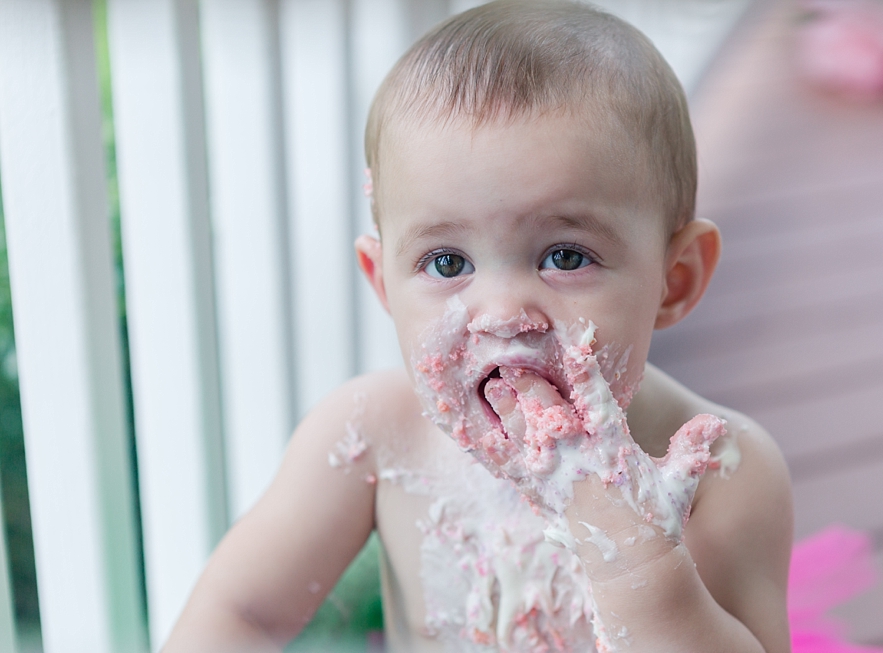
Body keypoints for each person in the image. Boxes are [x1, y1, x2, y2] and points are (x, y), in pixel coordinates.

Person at [163, 1, 795, 651]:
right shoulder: (374, 434)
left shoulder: (724, 469)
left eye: (566, 256)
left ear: (677, 277)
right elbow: (242, 613)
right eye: (447, 262)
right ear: (383, 283)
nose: (501, 313)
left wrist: (636, 558)